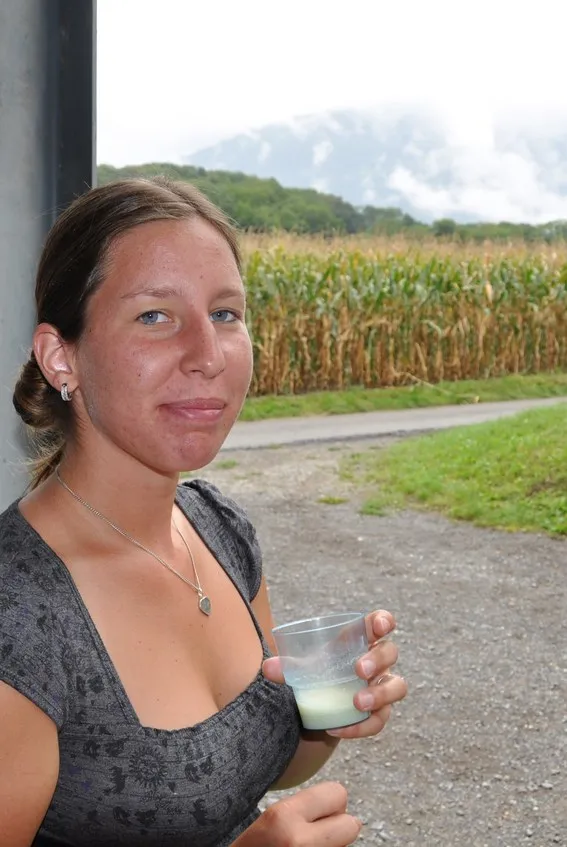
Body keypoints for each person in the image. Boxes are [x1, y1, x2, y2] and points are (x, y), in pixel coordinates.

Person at [0, 177, 407, 846]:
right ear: (60, 356)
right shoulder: (18, 613)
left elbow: (246, 769)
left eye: (224, 313)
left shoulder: (218, 527)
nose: (208, 356)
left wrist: (331, 709)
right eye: (154, 316)